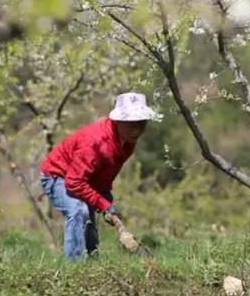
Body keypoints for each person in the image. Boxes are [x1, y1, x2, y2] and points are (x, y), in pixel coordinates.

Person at [40, 92, 161, 260]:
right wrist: (102, 203)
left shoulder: (127, 141)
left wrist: (104, 201)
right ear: (118, 121)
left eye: (141, 124)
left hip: (84, 179)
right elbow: (73, 182)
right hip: (58, 176)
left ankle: (92, 262)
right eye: (131, 124)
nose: (137, 130)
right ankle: (74, 269)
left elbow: (105, 171)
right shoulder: (95, 142)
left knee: (89, 219)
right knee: (78, 211)